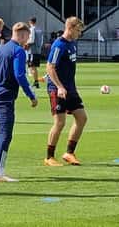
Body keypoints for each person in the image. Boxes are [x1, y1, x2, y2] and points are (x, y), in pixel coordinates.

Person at [0, 22, 37, 182]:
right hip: (3, 97)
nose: (28, 40)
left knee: (2, 131)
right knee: (6, 133)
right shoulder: (18, 51)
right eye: (28, 36)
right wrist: (31, 95)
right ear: (23, 35)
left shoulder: (0, 50)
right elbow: (20, 75)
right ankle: (0, 172)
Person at [44, 17, 87, 167]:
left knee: (82, 118)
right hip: (57, 89)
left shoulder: (72, 44)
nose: (79, 33)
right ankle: (49, 157)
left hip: (70, 89)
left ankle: (69, 152)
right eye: (78, 30)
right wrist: (59, 87)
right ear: (71, 28)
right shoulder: (59, 45)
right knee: (60, 122)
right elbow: (50, 67)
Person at [26, 17, 44, 89]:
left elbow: (32, 40)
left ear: (30, 22)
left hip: (32, 50)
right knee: (33, 67)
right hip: (38, 50)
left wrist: (26, 44)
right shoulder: (39, 30)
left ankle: (36, 82)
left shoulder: (32, 29)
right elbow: (42, 41)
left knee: (32, 66)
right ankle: (35, 82)